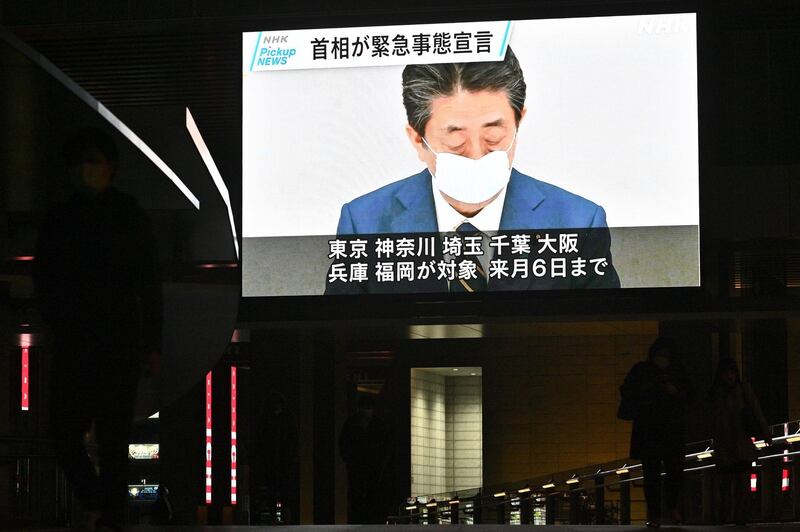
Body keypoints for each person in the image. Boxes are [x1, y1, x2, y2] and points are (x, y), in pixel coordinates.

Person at [326, 47, 619, 294]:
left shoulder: (578, 221)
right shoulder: (364, 224)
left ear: (519, 123)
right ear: (418, 139)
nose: (477, 155)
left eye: (494, 135)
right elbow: (340, 339)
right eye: (455, 140)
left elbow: (603, 330)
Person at [33, 128, 162, 532]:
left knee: (101, 439)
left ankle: (103, 512)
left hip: (98, 344)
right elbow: (149, 288)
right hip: (98, 342)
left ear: (110, 167)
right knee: (90, 438)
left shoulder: (99, 216)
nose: (86, 170)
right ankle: (104, 511)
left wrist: (150, 344)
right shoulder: (95, 216)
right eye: (80, 163)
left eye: (93, 161)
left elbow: (148, 285)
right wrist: (150, 344)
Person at [619, 337, 694, 528]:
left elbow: (690, 394)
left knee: (670, 472)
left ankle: (666, 509)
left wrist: (673, 391)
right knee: (654, 473)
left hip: (660, 430)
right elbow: (628, 390)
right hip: (656, 430)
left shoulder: (675, 373)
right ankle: (659, 512)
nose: (663, 359)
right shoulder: (646, 371)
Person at [709, 358, 770, 525]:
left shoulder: (740, 390)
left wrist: (765, 431)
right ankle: (730, 514)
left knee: (739, 482)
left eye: (732, 372)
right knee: (728, 483)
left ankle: (737, 515)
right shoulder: (719, 392)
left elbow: (756, 410)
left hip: (738, 442)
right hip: (728, 443)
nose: (730, 376)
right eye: (727, 372)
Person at [339, 395, 394, 524]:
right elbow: (385, 446)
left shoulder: (351, 424)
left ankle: (358, 518)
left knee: (357, 494)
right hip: (371, 466)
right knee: (370, 493)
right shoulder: (378, 425)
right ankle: (369, 519)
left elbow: (343, 445)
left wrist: (349, 460)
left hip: (359, 465)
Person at [253, 392, 299, 524]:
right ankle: (285, 515)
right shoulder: (288, 419)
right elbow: (293, 440)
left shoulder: (265, 420)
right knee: (283, 489)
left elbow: (259, 441)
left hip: (273, 460)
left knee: (273, 489)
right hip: (282, 460)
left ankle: (275, 516)